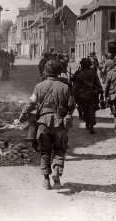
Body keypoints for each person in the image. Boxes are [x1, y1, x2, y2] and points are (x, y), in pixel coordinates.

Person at [19, 60, 75, 190]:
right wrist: (68, 114)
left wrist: (22, 115)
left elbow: (31, 104)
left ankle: (46, 180)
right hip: (59, 123)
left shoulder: (39, 86)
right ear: (58, 73)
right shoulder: (65, 87)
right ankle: (56, 172)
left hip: (43, 123)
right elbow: (72, 105)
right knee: (59, 149)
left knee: (45, 152)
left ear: (46, 72)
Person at [72, 58, 104, 134]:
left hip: (82, 95)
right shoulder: (93, 72)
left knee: (84, 109)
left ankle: (86, 121)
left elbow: (75, 85)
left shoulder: (78, 73)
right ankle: (91, 125)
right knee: (92, 109)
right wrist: (100, 89)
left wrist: (72, 94)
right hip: (93, 94)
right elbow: (97, 82)